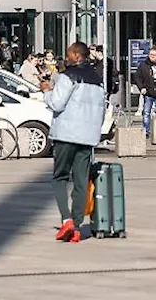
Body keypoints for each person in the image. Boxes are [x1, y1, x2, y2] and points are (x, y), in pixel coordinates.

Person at [41, 42, 106, 244]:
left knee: (59, 177)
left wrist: (46, 91)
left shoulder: (67, 76)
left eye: (69, 54)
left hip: (66, 134)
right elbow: (102, 111)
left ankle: (67, 219)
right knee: (80, 181)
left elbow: (57, 103)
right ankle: (77, 228)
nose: (66, 57)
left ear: (78, 56)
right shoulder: (98, 81)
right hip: (87, 137)